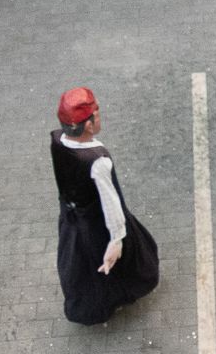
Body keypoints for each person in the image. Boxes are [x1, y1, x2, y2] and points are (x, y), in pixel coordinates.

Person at [50, 87, 160, 325]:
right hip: (96, 225)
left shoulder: (57, 140)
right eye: (97, 112)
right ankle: (113, 299)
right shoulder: (97, 160)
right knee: (116, 266)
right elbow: (111, 203)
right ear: (88, 125)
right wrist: (117, 239)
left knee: (80, 265)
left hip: (71, 218)